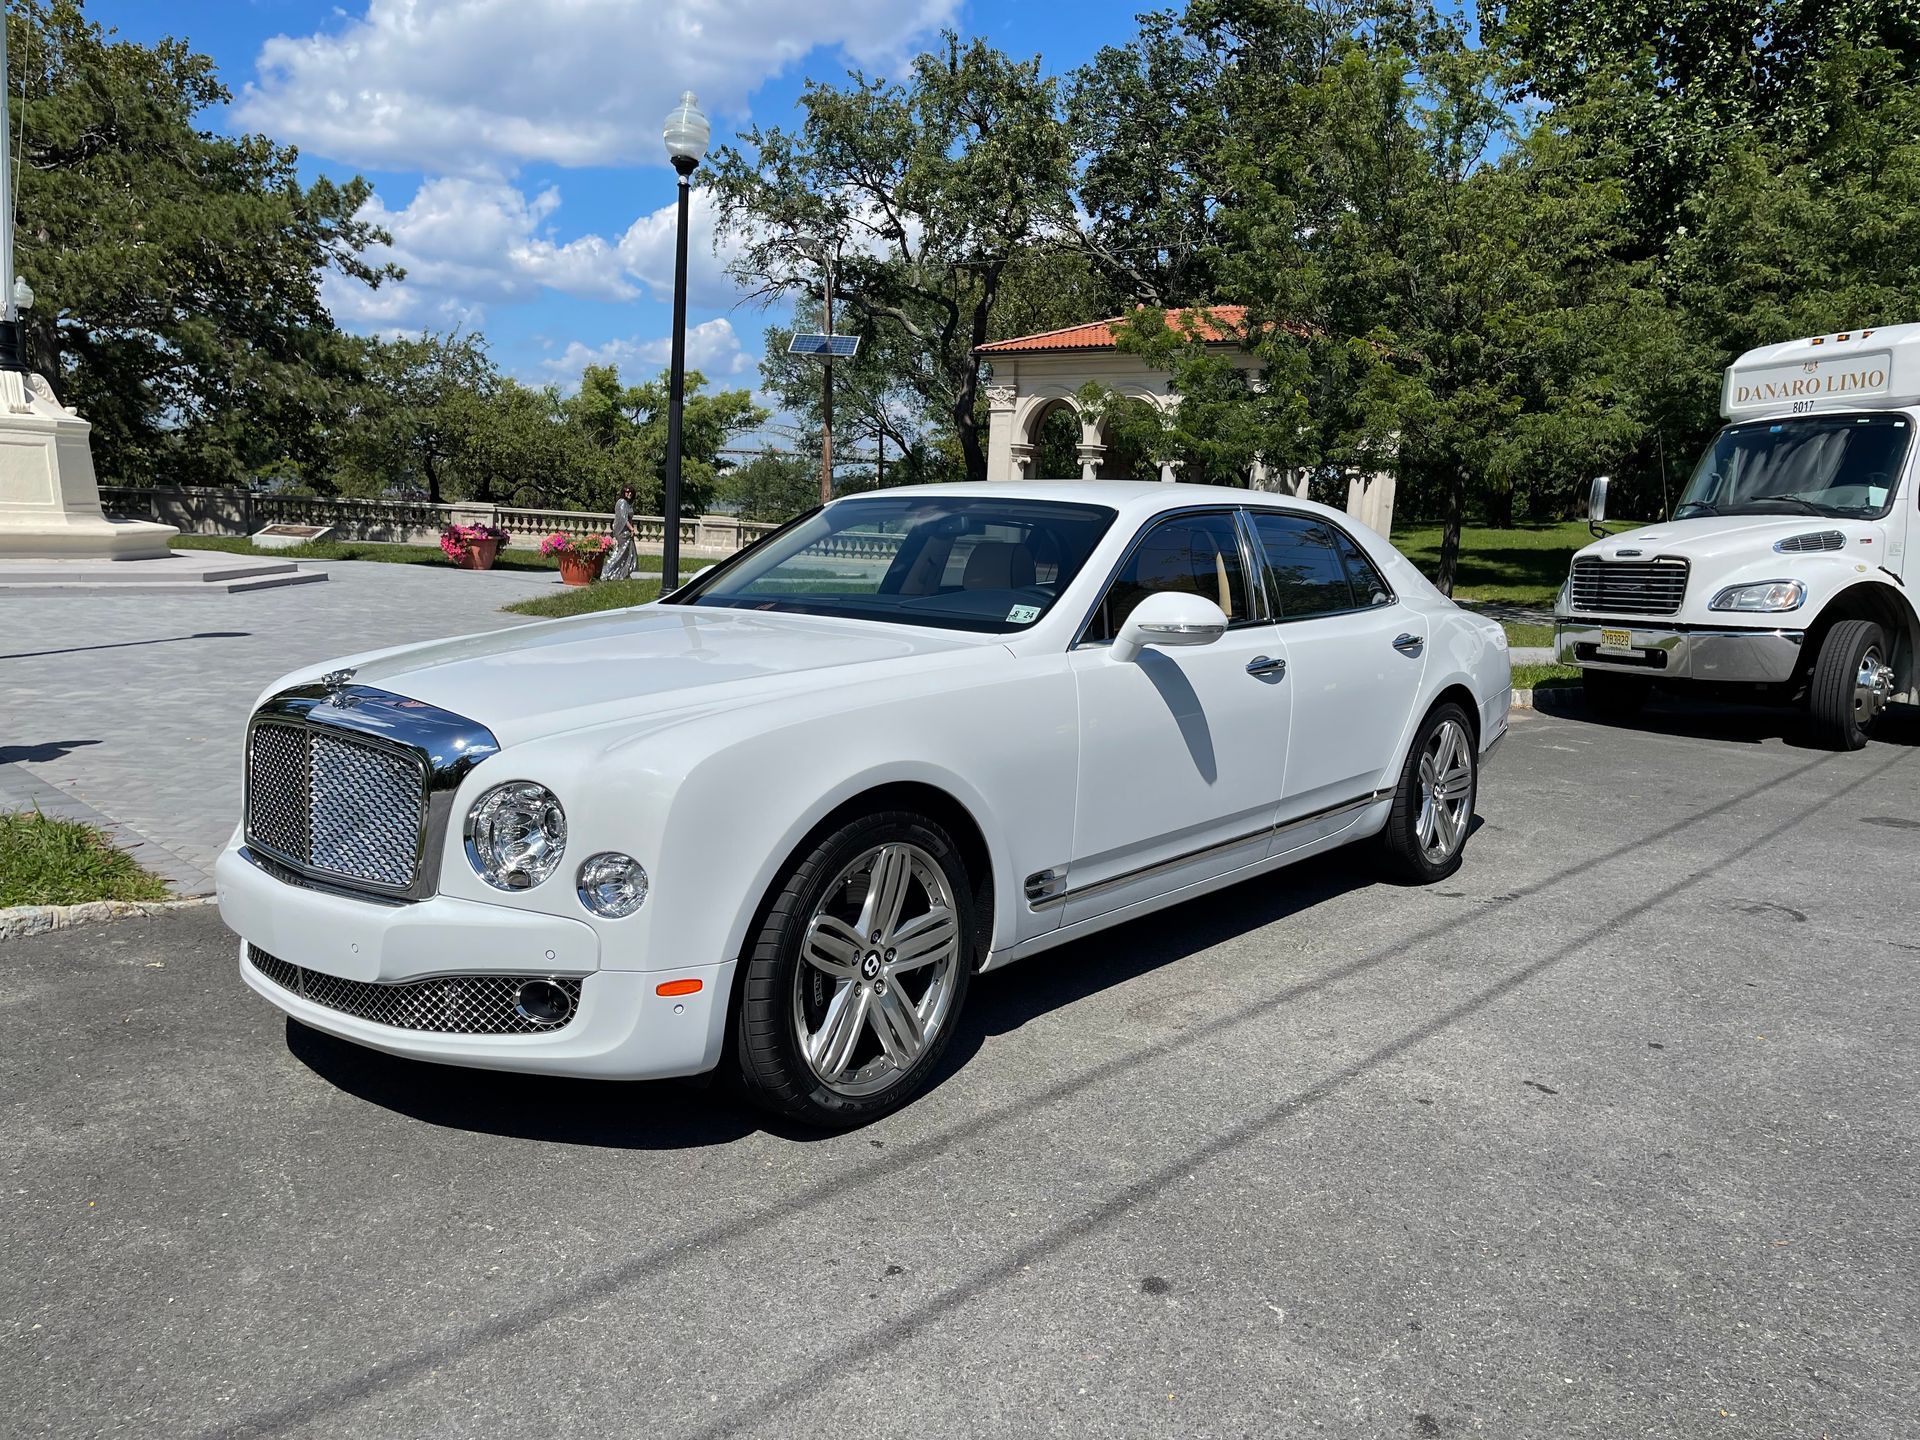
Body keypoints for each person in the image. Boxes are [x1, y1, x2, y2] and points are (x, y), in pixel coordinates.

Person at [603, 483, 640, 580]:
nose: (629, 494)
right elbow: (623, 518)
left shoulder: (628, 503)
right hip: (622, 531)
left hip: (627, 531)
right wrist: (631, 528)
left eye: (631, 492)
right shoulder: (622, 502)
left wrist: (631, 529)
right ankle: (607, 572)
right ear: (623, 492)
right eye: (627, 492)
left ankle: (623, 573)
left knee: (627, 553)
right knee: (621, 552)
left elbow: (630, 517)